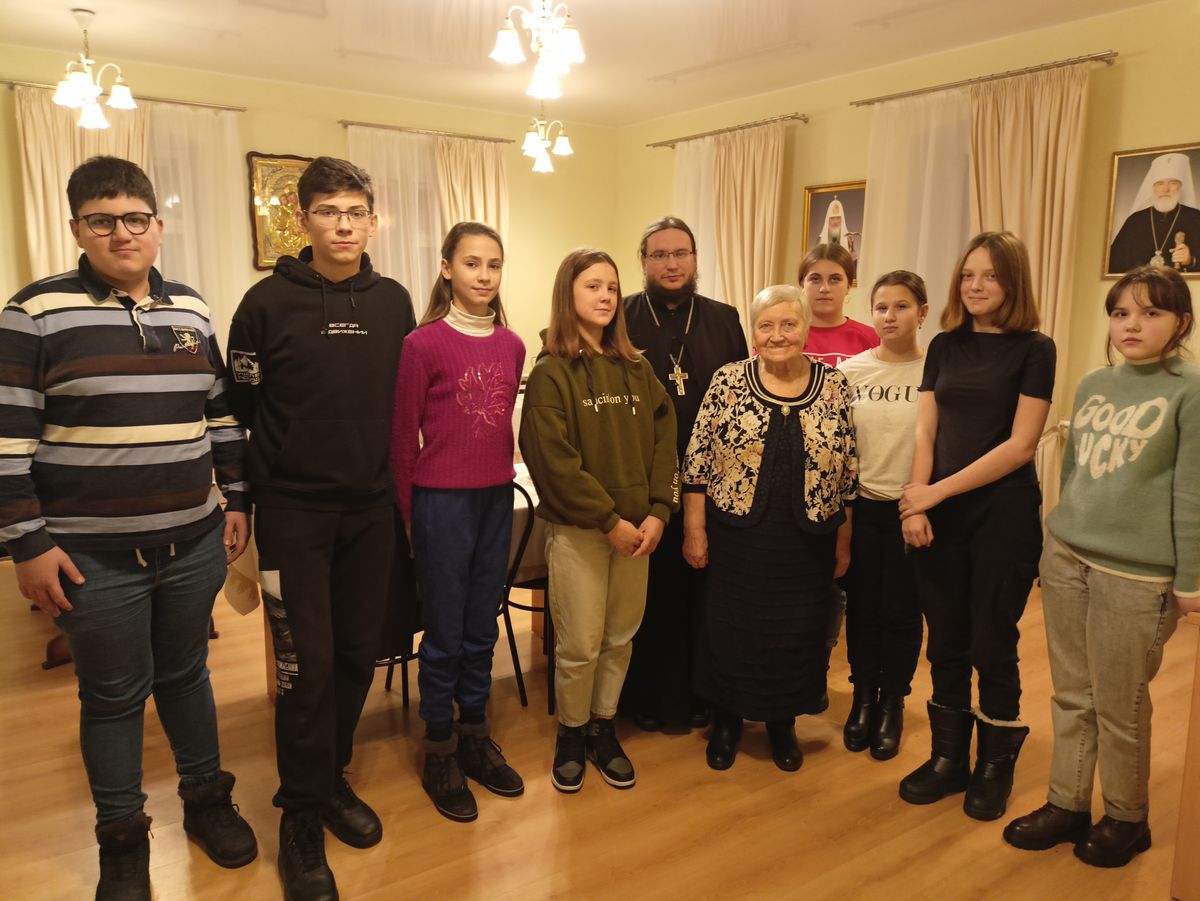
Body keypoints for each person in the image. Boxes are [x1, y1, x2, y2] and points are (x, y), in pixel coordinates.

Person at [0, 156, 257, 901]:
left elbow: (219, 415)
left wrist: (237, 499)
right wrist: (27, 544)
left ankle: (206, 802)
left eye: (135, 218)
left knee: (187, 675)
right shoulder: (35, 312)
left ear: (158, 225)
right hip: (89, 557)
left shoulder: (191, 311)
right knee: (112, 696)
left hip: (193, 541)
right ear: (77, 228)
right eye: (102, 221)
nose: (122, 234)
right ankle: (121, 840)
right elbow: (8, 441)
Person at [227, 156, 416, 901]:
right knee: (303, 669)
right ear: (302, 219)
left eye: (356, 212)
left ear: (372, 221)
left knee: (358, 653)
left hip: (370, 509)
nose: (344, 225)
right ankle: (299, 816)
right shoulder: (264, 304)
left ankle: (329, 777)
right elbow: (243, 410)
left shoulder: (394, 302)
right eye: (329, 211)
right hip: (292, 512)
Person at [1004, 265, 1199, 868]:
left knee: (1120, 703)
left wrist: (1191, 583)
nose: (1131, 325)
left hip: (1136, 576)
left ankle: (1126, 817)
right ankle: (1067, 803)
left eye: (1150, 312)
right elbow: (1075, 473)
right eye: (1120, 313)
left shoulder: (1191, 391)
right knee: (1071, 693)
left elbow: (1193, 493)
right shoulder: (1094, 383)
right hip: (1068, 556)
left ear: (1181, 322)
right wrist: (1057, 538)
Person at [898, 231, 1055, 822]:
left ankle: (994, 766)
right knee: (945, 638)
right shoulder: (944, 344)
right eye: (968, 275)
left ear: (1012, 282)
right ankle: (948, 760)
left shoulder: (1035, 349)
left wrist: (933, 494)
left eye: (990, 275)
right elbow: (926, 430)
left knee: (991, 639)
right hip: (940, 513)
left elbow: (1020, 446)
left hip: (1002, 516)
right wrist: (917, 504)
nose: (976, 285)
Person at [519, 248, 679, 793]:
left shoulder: (638, 369)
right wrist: (609, 520)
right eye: (593, 286)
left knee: (619, 637)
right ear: (568, 294)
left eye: (612, 286)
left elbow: (665, 442)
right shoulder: (551, 373)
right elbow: (554, 463)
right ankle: (570, 733)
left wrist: (658, 511)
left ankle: (602, 727)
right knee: (580, 643)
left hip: (640, 532)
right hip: (583, 531)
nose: (606, 296)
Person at [683, 285, 858, 773]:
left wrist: (844, 540)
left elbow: (848, 469)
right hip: (738, 536)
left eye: (788, 324)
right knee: (732, 627)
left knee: (795, 632)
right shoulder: (728, 381)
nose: (777, 335)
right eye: (766, 325)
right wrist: (694, 530)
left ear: (806, 328)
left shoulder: (835, 385)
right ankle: (727, 721)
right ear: (753, 332)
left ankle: (783, 721)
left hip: (807, 540)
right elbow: (696, 461)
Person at [391, 221, 526, 823]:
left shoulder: (513, 345)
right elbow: (402, 440)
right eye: (472, 263)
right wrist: (409, 518)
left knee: (481, 627)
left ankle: (475, 734)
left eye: (493, 265)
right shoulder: (421, 345)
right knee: (445, 633)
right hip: (441, 504)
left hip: (495, 499)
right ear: (447, 269)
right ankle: (439, 747)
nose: (484, 275)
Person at [621, 216, 747, 732]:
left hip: (712, 485)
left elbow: (742, 399)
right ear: (644, 262)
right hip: (643, 483)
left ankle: (705, 696)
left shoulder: (724, 318)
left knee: (705, 592)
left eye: (681, 253)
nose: (671, 264)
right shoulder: (621, 316)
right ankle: (650, 700)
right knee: (653, 596)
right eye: (659, 255)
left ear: (695, 259)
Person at [837, 271, 928, 761]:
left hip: (912, 509)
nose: (890, 316)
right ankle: (863, 698)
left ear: (922, 313)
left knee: (902, 611)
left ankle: (893, 701)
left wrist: (923, 501)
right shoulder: (852, 372)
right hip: (862, 506)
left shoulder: (935, 372)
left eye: (902, 306)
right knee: (863, 607)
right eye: (881, 307)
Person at [798, 243, 878, 700]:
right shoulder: (788, 331)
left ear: (850, 285)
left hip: (854, 477)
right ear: (802, 284)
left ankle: (822, 671)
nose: (824, 288)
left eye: (835, 279)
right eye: (815, 279)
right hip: (798, 480)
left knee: (839, 581)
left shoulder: (868, 338)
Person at [1109, 152, 1199, 273]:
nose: (1165, 189)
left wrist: (1191, 260)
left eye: (1173, 183)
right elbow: (1113, 265)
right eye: (1160, 183)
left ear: (1181, 187)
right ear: (1153, 188)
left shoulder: (1196, 218)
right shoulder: (1135, 220)